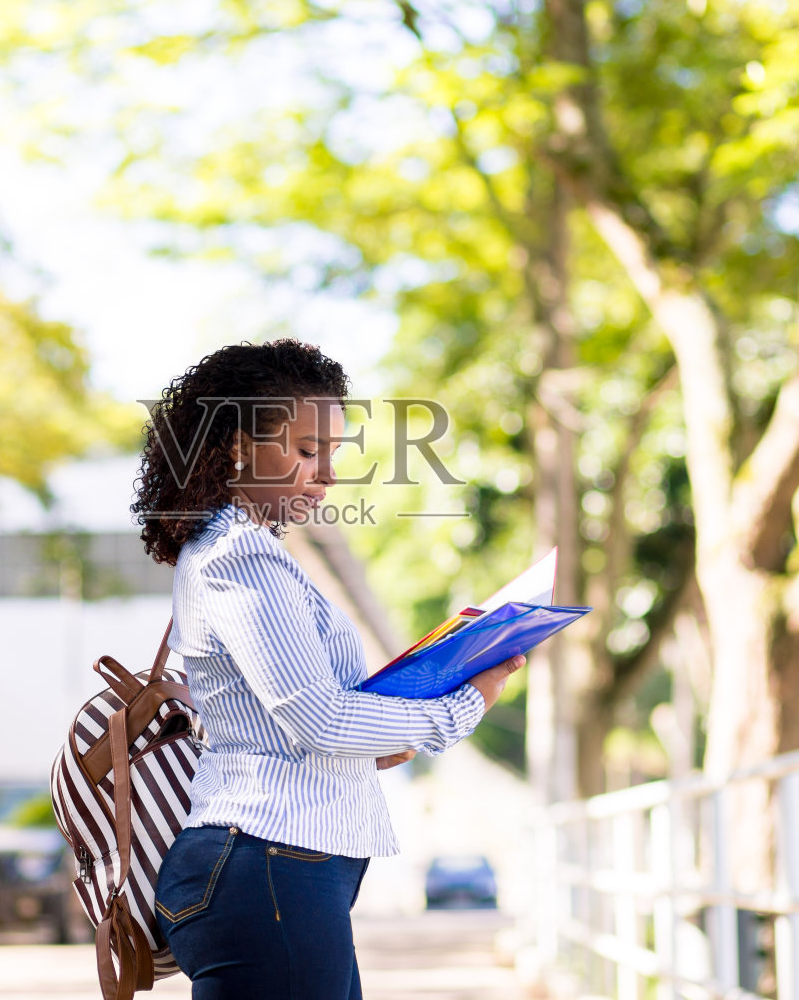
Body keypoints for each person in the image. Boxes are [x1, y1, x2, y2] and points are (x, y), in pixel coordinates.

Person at [130, 338, 526, 1000]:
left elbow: (295, 720)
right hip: (267, 864)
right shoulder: (240, 557)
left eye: (332, 453)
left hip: (282, 867)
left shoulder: (249, 553)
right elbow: (321, 717)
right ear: (236, 446)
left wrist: (374, 742)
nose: (327, 474)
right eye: (307, 451)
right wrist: (467, 700)